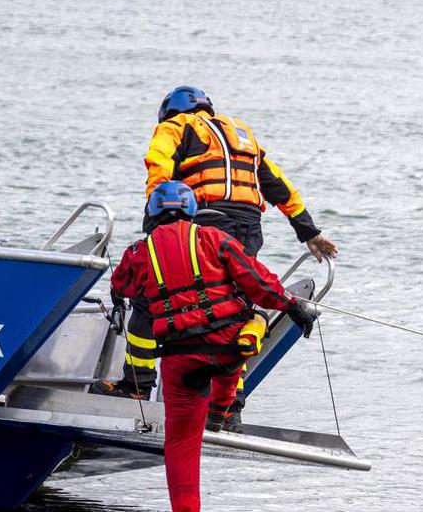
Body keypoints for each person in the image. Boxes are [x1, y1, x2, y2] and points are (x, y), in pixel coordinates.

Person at [103, 86, 337, 428]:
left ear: (169, 111)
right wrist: (309, 232)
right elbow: (279, 186)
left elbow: (158, 168)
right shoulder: (243, 136)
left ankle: (136, 385)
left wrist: (155, 226)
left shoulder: (176, 126)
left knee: (146, 298)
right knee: (236, 313)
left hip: (206, 224)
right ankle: (230, 408)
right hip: (248, 230)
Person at [110, 181, 319, 512]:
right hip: (226, 348)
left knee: (180, 444)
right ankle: (221, 412)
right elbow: (258, 282)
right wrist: (293, 307)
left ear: (151, 214)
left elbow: (121, 284)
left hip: (181, 358)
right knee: (243, 337)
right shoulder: (214, 239)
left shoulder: (139, 252)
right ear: (191, 210)